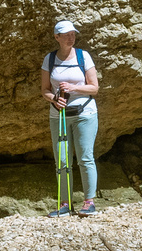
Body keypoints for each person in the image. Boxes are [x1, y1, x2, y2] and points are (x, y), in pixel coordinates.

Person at [38, 19, 100, 217]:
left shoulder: (83, 56)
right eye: (66, 35)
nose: (70, 38)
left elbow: (94, 88)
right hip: (59, 115)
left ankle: (89, 202)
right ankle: (65, 204)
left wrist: (74, 88)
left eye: (72, 34)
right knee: (62, 160)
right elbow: (45, 90)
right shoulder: (49, 59)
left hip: (85, 113)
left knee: (85, 157)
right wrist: (54, 100)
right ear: (57, 37)